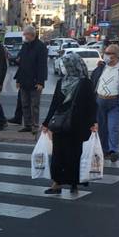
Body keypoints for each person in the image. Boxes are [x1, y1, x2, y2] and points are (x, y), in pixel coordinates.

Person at [42, 53, 98, 194]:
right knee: (61, 154)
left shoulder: (84, 83)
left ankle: (70, 183)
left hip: (76, 125)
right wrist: (46, 122)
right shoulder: (64, 82)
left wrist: (94, 122)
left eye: (66, 65)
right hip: (66, 124)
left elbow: (91, 104)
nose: (64, 68)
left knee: (71, 154)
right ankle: (60, 183)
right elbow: (55, 103)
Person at [14, 25, 48, 134]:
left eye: (25, 34)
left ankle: (34, 126)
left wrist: (40, 82)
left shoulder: (41, 47)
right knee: (25, 104)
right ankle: (27, 125)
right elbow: (21, 63)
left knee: (34, 106)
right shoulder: (25, 46)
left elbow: (42, 66)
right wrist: (18, 80)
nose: (24, 36)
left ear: (31, 35)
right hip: (24, 80)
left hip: (35, 81)